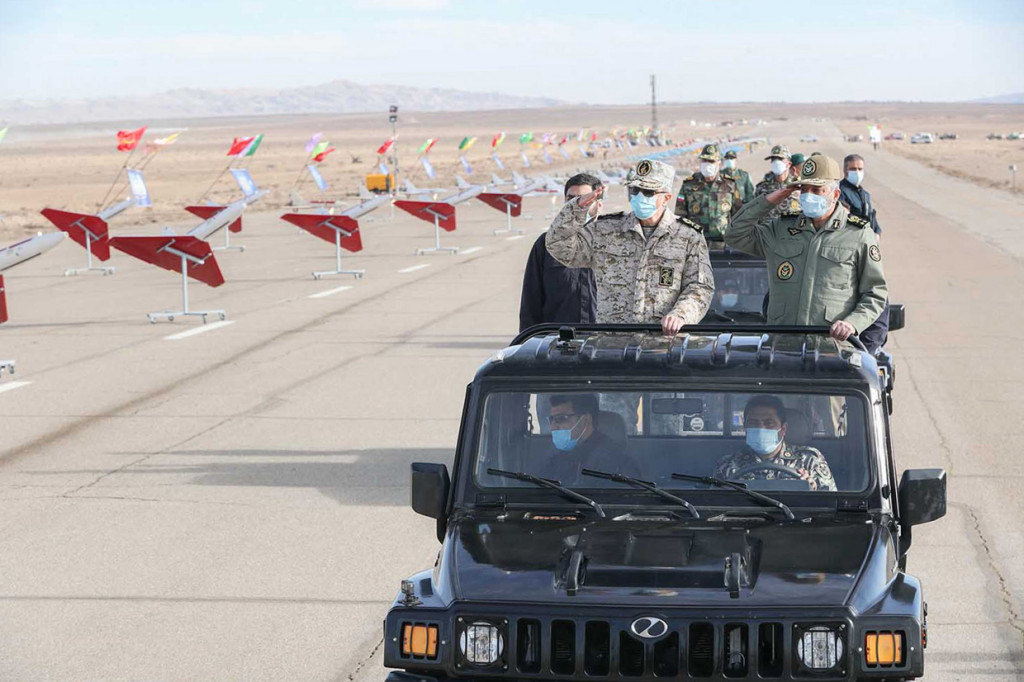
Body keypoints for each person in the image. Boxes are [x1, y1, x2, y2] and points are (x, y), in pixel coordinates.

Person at [725, 153, 887, 343]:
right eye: (804, 189)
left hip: (832, 348)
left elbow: (875, 293)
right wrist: (772, 199)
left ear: (835, 194)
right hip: (782, 346)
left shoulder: (858, 234)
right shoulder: (782, 228)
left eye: (817, 190)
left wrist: (852, 323)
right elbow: (735, 235)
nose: (808, 195)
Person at [547, 158, 714, 336]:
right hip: (612, 345)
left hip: (663, 346)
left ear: (666, 197)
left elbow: (700, 287)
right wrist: (576, 209)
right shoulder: (605, 230)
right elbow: (558, 245)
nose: (640, 196)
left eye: (648, 192)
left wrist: (681, 314)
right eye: (635, 190)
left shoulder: (688, 236)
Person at [519, 174, 601, 332]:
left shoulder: (613, 243)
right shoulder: (546, 245)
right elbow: (531, 301)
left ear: (599, 205)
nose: (577, 204)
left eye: (585, 199)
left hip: (603, 342)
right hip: (557, 342)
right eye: (571, 199)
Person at [714, 395, 837, 491]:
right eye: (753, 423)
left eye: (769, 423)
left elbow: (831, 507)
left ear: (783, 429)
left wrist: (813, 490)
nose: (761, 428)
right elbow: (714, 506)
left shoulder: (809, 460)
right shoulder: (728, 465)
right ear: (745, 427)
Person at [839, 154, 889, 351]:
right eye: (853, 169)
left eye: (860, 169)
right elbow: (845, 221)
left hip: (865, 249)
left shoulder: (864, 194)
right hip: (849, 248)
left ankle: (867, 351)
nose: (857, 173)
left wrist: (875, 235)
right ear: (845, 171)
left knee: (878, 297)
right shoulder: (841, 193)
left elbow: (873, 222)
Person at [543, 394, 639, 484]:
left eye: (561, 418)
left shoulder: (619, 464)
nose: (553, 427)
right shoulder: (558, 460)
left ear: (585, 420)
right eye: (551, 420)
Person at [674, 143, 743, 243]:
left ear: (719, 162)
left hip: (722, 242)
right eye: (704, 160)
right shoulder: (688, 185)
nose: (707, 164)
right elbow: (680, 215)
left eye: (711, 161)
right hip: (695, 242)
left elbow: (738, 215)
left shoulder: (729, 185)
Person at [753, 144, 801, 220]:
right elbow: (754, 214)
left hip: (791, 230)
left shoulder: (799, 186)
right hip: (767, 230)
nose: (776, 162)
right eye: (773, 159)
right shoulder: (762, 187)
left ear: (789, 164)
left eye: (779, 158)